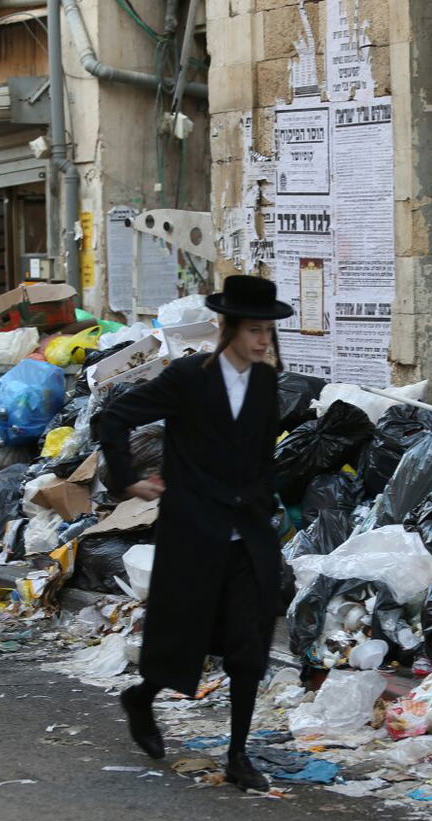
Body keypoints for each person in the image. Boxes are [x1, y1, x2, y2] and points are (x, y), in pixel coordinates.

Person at [96, 275, 290, 792]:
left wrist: (266, 508)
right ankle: (142, 698)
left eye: (267, 330)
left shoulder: (268, 383)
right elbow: (113, 417)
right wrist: (127, 480)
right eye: (253, 330)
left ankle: (237, 754)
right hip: (194, 529)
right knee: (183, 638)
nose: (262, 340)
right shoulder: (188, 377)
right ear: (227, 329)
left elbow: (263, 458)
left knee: (249, 646)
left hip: (248, 533)